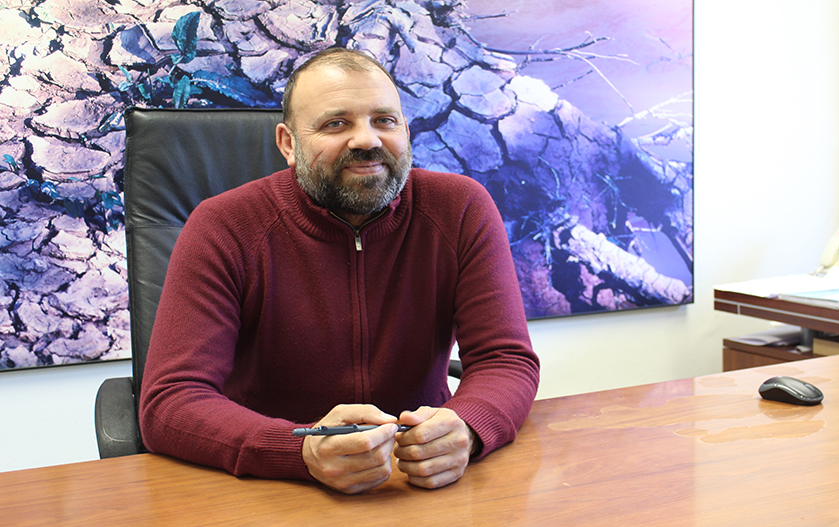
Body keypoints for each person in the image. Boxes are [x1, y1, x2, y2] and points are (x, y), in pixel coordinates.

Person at [138, 47, 540, 494]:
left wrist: (467, 427)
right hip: (271, 488)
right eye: (336, 123)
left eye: (384, 120)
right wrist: (300, 450)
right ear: (288, 144)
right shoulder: (224, 226)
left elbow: (506, 360)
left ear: (406, 131)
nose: (366, 139)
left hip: (417, 481)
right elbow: (170, 401)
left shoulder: (460, 208)